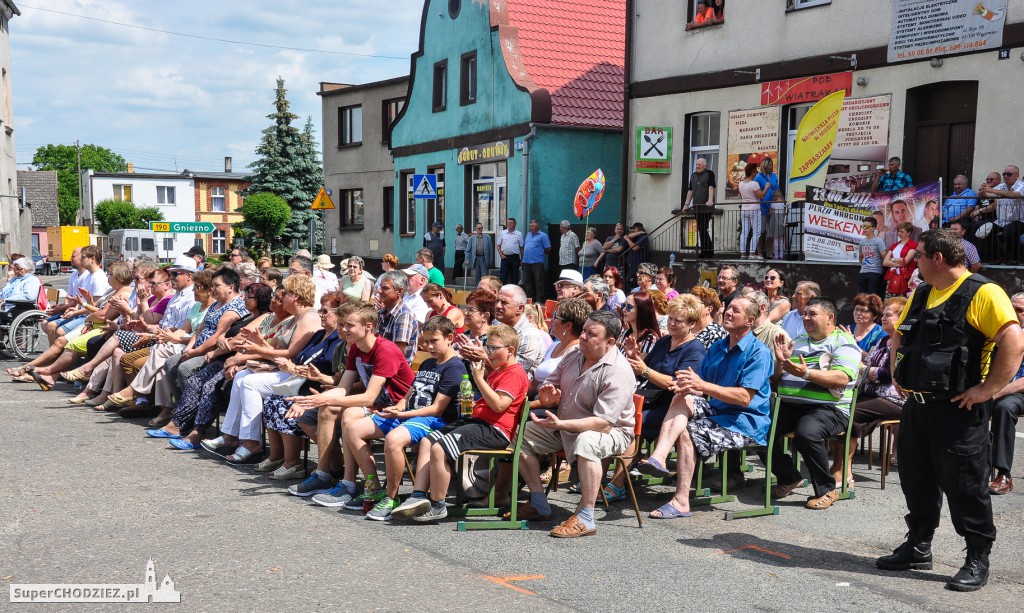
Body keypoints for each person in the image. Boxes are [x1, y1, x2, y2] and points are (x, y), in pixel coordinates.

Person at [878, 229, 1024, 591]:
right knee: (916, 479)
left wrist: (988, 389)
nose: (915, 262)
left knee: (965, 486)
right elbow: (899, 334)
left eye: (920, 255)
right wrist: (897, 369)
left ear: (938, 258)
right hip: (918, 406)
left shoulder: (984, 292)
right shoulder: (924, 292)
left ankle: (977, 556)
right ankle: (918, 546)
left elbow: (1013, 341)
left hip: (959, 408)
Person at [638, 295, 772, 519]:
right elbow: (701, 387)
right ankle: (659, 457)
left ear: (750, 321)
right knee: (682, 396)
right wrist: (688, 385)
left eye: (736, 311)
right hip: (719, 411)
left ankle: (681, 501)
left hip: (744, 422)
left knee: (688, 432)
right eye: (729, 308)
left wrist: (702, 385)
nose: (728, 312)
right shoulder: (719, 347)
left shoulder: (759, 353)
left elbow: (743, 398)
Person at [514, 311, 636, 538]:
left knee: (587, 441)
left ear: (610, 342)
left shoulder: (618, 371)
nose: (583, 337)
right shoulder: (574, 354)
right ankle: (539, 501)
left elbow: (603, 422)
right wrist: (548, 395)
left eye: (592, 334)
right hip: (565, 424)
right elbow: (550, 384)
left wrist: (561, 424)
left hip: (611, 432)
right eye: (584, 331)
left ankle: (586, 517)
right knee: (521, 434)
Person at [390, 324, 527, 522]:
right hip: (481, 423)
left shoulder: (514, 373)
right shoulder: (500, 370)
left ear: (510, 351)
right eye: (487, 347)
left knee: (439, 449)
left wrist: (479, 379)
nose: (488, 353)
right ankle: (418, 495)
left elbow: (498, 406)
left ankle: (438, 504)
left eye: (492, 348)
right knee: (428, 441)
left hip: (494, 430)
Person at [284, 304, 415, 500]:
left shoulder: (385, 350)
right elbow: (343, 388)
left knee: (348, 414)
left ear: (368, 326)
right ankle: (325, 475)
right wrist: (311, 401)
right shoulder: (356, 348)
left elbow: (369, 397)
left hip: (398, 409)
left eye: (349, 326)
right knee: (328, 409)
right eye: (343, 325)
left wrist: (320, 400)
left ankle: (358, 485)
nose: (343, 330)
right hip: (378, 406)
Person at [345, 316, 467, 520]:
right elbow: (408, 396)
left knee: (393, 440)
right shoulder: (429, 363)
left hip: (433, 421)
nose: (429, 346)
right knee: (354, 429)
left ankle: (391, 497)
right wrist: (396, 408)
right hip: (409, 414)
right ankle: (373, 486)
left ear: (450, 338)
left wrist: (403, 414)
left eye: (434, 341)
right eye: (426, 342)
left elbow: (437, 409)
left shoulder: (454, 367)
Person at [148, 283, 277, 448]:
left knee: (210, 386)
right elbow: (222, 333)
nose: (245, 299)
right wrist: (222, 340)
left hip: (234, 359)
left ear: (261, 300)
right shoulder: (248, 316)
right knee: (195, 381)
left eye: (249, 296)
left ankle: (198, 431)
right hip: (223, 356)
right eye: (245, 295)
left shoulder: (264, 317)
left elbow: (238, 341)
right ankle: (178, 423)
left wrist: (217, 350)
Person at [605, 294, 707, 501]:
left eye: (678, 321)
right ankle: (599, 475)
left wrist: (646, 371)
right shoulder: (665, 341)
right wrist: (635, 357)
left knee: (631, 424)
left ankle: (617, 484)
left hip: (672, 406)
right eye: (670, 318)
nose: (671, 324)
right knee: (610, 417)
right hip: (649, 396)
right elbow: (646, 366)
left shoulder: (695, 350)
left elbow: (678, 384)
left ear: (692, 324)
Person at [769, 297, 862, 510]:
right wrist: (780, 363)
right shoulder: (798, 340)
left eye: (812, 314)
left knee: (806, 433)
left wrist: (807, 373)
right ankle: (789, 477)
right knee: (759, 426)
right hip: (791, 405)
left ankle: (827, 490)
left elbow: (842, 378)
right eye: (805, 314)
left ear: (830, 317)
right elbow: (776, 379)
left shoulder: (843, 343)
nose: (806, 318)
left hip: (829, 409)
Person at [260, 298, 349, 479]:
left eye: (326, 311)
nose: (321, 315)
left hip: (319, 386)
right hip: (306, 381)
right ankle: (278, 456)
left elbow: (328, 372)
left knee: (285, 405)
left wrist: (295, 369)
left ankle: (294, 463)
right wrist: (290, 366)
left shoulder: (338, 341)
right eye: (320, 311)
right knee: (272, 400)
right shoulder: (318, 334)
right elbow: (302, 360)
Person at [835, 296, 907, 488]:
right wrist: (852, 347)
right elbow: (869, 362)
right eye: (883, 314)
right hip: (874, 394)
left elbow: (889, 375)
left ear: (902, 318)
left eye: (888, 315)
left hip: (896, 398)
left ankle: (841, 468)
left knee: (849, 413)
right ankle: (844, 469)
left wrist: (861, 369)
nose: (883, 318)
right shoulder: (885, 339)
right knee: (841, 406)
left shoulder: (906, 342)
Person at [460, 284, 549, 380]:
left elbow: (514, 376)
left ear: (520, 309)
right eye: (497, 301)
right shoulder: (497, 324)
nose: (498, 306)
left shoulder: (529, 336)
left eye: (504, 302)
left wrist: (483, 359)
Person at [988, 292, 1024, 495]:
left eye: (1020, 310)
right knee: (966, 401)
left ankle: (1003, 474)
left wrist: (994, 392)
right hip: (999, 388)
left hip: (1018, 391)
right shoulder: (1001, 334)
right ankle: (970, 467)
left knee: (1004, 407)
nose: (1015, 314)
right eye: (1012, 309)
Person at [976, 164, 1024, 263]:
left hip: (1019, 221)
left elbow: (1014, 195)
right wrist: (982, 192)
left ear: (1017, 175)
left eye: (1009, 174)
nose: (1006, 176)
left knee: (1008, 232)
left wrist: (991, 190)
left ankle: (1011, 258)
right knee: (985, 231)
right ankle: (995, 257)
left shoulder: (1022, 186)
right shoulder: (1001, 186)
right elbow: (987, 195)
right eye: (1004, 174)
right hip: (1001, 221)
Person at [375, 270, 419, 363]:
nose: (379, 291)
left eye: (385, 288)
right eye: (380, 287)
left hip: (394, 371)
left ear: (399, 291)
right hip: (378, 364)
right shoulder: (381, 313)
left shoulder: (404, 315)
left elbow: (396, 353)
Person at [683, 158, 717, 257]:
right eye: (696, 164)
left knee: (703, 228)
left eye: (700, 164)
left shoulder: (709, 173)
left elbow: (711, 187)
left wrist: (710, 200)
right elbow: (690, 191)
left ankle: (708, 251)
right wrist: (686, 205)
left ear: (705, 166)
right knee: (701, 229)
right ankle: (706, 251)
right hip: (697, 207)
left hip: (706, 207)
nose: (697, 166)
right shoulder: (693, 176)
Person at [755, 158, 782, 259]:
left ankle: (769, 252)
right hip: (762, 207)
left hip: (773, 206)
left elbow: (777, 190)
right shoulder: (758, 177)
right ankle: (760, 252)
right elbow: (756, 193)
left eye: (772, 165)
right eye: (769, 165)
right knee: (761, 231)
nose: (771, 167)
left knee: (771, 231)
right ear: (764, 165)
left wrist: (777, 203)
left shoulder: (774, 176)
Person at [883, 222, 918, 298]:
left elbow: (905, 261)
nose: (899, 233)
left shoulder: (913, 244)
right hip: (892, 275)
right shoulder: (894, 245)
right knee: (890, 300)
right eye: (898, 231)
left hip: (906, 276)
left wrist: (891, 260)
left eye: (902, 231)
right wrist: (897, 263)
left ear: (909, 233)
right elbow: (885, 262)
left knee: (904, 299)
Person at [858, 216, 889, 297]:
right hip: (863, 272)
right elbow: (860, 257)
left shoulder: (878, 241)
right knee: (862, 297)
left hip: (875, 272)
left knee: (872, 297)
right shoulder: (862, 242)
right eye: (863, 226)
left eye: (867, 226)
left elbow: (884, 256)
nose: (864, 229)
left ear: (873, 228)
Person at [521, 220, 551, 303]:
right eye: (530, 226)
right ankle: (530, 298)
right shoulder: (528, 235)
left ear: (537, 227)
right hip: (526, 261)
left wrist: (539, 253)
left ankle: (540, 299)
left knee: (539, 281)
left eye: (533, 226)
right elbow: (525, 247)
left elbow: (548, 248)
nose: (531, 228)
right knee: (527, 281)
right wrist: (523, 260)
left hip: (537, 261)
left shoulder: (543, 236)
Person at [738, 163, 763, 259]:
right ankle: (752, 253)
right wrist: (766, 188)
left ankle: (743, 253)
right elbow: (760, 195)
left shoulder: (741, 184)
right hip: (755, 209)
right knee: (756, 232)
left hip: (744, 209)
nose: (756, 173)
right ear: (752, 172)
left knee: (744, 232)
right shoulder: (754, 184)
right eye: (756, 171)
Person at [496, 217, 524, 285]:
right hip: (505, 258)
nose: (509, 224)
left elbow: (521, 247)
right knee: (503, 277)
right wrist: (501, 254)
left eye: (510, 223)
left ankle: (514, 294)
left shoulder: (519, 234)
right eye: (508, 223)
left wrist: (522, 259)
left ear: (514, 224)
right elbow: (498, 245)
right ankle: (503, 294)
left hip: (515, 258)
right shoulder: (503, 233)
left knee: (514, 278)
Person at [623, 222, 649, 290]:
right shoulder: (636, 236)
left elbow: (635, 248)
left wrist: (628, 239)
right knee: (629, 281)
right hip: (632, 263)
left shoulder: (643, 237)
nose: (633, 230)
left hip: (637, 263)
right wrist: (640, 232)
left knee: (629, 281)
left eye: (634, 228)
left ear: (639, 228)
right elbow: (629, 236)